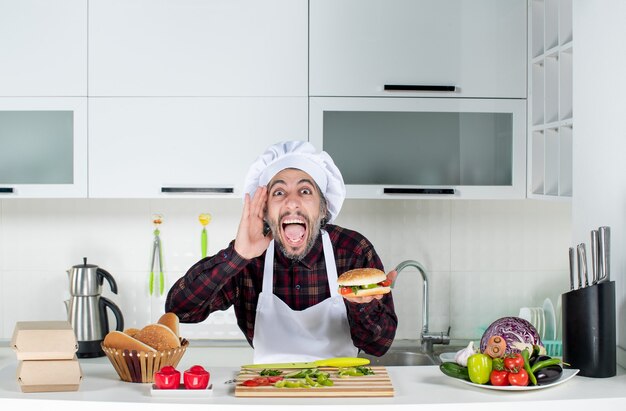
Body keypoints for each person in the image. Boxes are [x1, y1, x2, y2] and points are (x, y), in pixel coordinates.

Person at [165, 141, 397, 363]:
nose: (292, 202)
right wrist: (238, 255)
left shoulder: (353, 250)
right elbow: (180, 311)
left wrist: (362, 305)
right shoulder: (249, 259)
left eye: (305, 191)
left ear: (323, 208)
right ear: (265, 210)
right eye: (278, 193)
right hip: (268, 388)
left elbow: (379, 346)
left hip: (338, 392)